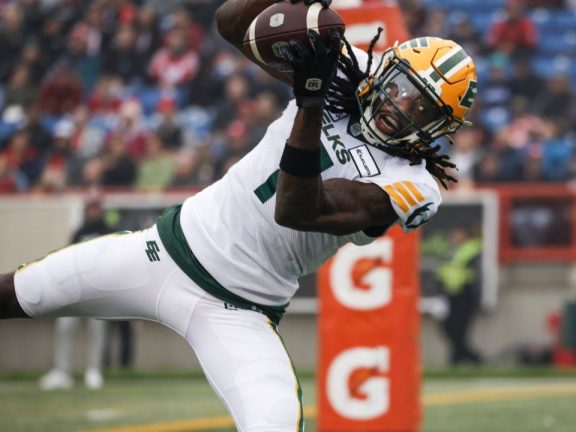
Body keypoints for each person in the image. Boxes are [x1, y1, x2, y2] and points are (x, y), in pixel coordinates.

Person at [0, 0, 479, 430]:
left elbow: (297, 209)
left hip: (242, 309)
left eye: (421, 108)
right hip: (163, 250)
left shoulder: (415, 185)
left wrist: (310, 100)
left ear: (439, 131)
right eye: (401, 88)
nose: (399, 107)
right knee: (27, 290)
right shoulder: (351, 67)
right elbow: (231, 23)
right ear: (386, 68)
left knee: (274, 425)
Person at [38, 196, 110, 390]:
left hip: (99, 289)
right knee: (64, 326)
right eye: (90, 208)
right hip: (76, 288)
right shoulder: (79, 232)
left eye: (96, 208)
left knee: (97, 330)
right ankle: (63, 371)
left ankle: (94, 370)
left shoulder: (109, 231)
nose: (93, 212)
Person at [436, 227, 483, 366]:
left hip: (466, 294)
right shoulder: (450, 250)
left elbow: (473, 273)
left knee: (460, 329)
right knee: (448, 328)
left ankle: (457, 359)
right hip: (450, 295)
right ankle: (471, 357)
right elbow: (444, 270)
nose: (454, 237)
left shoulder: (472, 249)